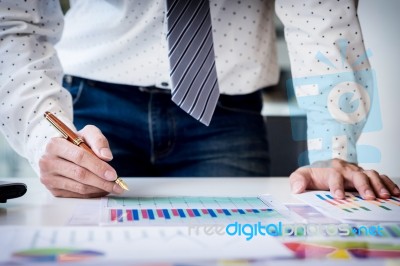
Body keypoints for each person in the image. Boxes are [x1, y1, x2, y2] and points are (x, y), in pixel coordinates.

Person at [0, 0, 399, 199]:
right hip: (92, 116)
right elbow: (16, 20)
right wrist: (41, 134)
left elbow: (321, 12)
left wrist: (334, 150)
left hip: (226, 116)